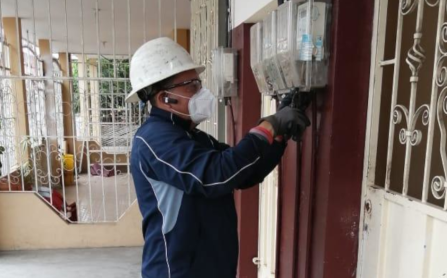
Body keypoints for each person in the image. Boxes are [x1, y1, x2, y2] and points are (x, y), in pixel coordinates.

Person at [126, 37, 310, 278]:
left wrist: (278, 135)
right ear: (164, 99)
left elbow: (243, 173)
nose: (201, 92)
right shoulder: (154, 140)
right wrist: (269, 126)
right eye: (191, 86)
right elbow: (216, 175)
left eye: (198, 84)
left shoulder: (192, 138)